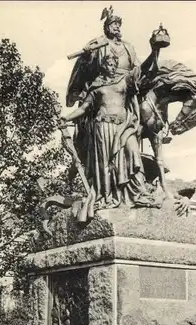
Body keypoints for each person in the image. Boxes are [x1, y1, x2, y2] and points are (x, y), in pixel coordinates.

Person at [61, 54, 157, 212]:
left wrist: (154, 51)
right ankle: (107, 195)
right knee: (105, 165)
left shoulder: (124, 80)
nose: (113, 67)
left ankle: (138, 193)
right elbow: (84, 108)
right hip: (103, 127)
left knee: (133, 153)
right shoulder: (96, 86)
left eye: (114, 64)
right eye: (110, 64)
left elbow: (143, 69)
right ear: (103, 66)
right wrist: (67, 117)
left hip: (124, 127)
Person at [66, 6, 140, 108]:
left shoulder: (128, 47)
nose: (117, 27)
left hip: (126, 84)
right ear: (107, 27)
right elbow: (89, 69)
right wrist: (87, 56)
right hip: (104, 82)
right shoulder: (98, 43)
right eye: (114, 24)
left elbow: (138, 67)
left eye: (119, 25)